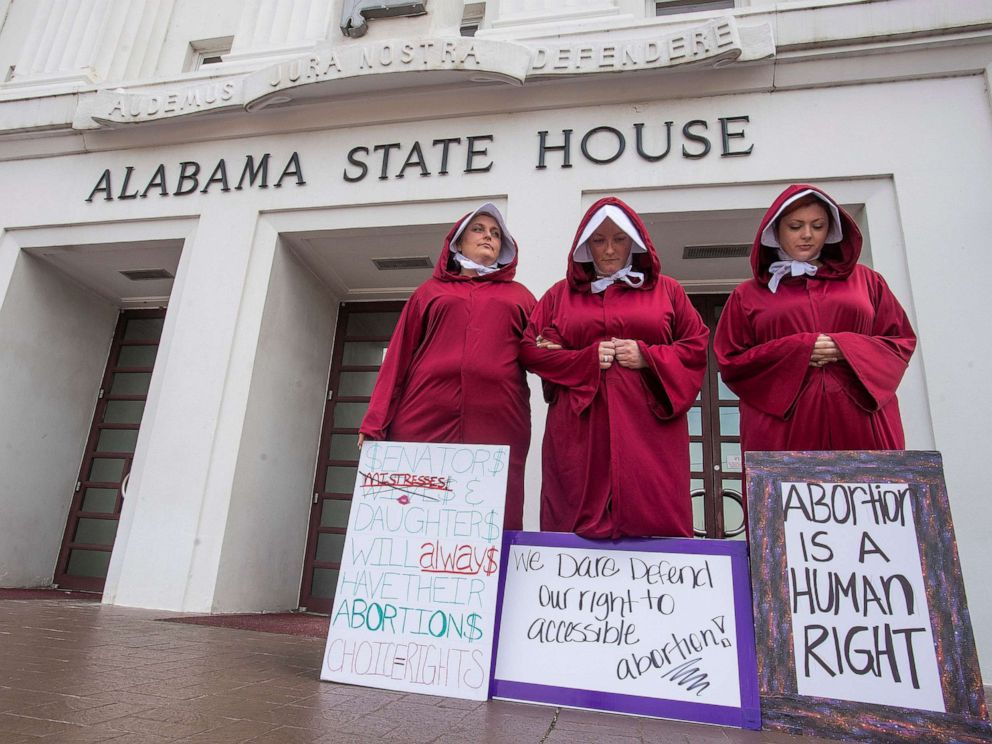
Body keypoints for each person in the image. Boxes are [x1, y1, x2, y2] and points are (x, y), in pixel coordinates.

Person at [520, 197, 708, 539]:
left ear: (634, 243)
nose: (609, 250)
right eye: (598, 240)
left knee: (653, 517)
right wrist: (584, 359)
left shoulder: (669, 291)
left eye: (619, 240)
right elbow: (530, 350)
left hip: (649, 427)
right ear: (585, 245)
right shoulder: (559, 296)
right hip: (579, 427)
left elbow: (695, 345)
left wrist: (646, 355)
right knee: (572, 518)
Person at [358, 203, 536, 530]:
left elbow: (541, 350)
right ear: (458, 242)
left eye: (496, 233)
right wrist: (375, 421)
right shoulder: (429, 292)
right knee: (416, 502)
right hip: (424, 415)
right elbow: (398, 357)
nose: (488, 237)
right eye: (479, 230)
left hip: (498, 418)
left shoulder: (520, 297)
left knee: (492, 507)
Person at [714, 183, 917, 462]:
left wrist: (844, 347)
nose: (807, 235)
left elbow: (900, 342)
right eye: (795, 226)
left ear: (830, 230)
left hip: (862, 421)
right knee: (787, 504)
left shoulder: (868, 281)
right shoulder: (747, 295)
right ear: (775, 231)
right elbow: (731, 361)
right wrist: (800, 350)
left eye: (818, 226)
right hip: (783, 428)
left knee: (865, 498)